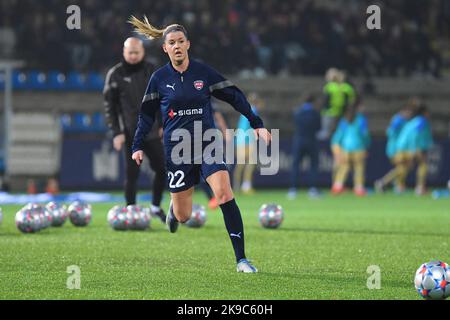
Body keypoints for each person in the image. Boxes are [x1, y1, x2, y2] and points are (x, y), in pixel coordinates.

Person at [129, 17, 272, 273]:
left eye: (180, 41)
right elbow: (147, 115)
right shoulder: (159, 79)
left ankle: (241, 260)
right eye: (171, 43)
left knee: (225, 194)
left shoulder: (203, 73)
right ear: (165, 48)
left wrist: (256, 123)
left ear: (188, 44)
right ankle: (174, 211)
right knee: (184, 216)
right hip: (177, 149)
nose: (176, 46)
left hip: (208, 143)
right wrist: (137, 144)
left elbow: (234, 95)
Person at [104, 37, 166, 222]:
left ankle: (155, 206)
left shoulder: (152, 70)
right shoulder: (115, 74)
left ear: (142, 52)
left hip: (153, 130)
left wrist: (163, 124)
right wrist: (116, 132)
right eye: (130, 52)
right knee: (132, 174)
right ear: (124, 52)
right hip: (131, 134)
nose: (132, 56)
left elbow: (163, 98)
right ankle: (130, 210)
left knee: (162, 169)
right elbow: (110, 108)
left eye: (136, 52)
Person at [374, 99, 416, 193]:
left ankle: (398, 185)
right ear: (404, 110)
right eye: (408, 112)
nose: (410, 115)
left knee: (405, 167)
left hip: (400, 147)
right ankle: (383, 182)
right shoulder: (398, 120)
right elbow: (390, 132)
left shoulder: (403, 120)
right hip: (395, 148)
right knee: (402, 168)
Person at [331, 102, 371, 196]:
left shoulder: (345, 121)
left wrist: (337, 149)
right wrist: (366, 145)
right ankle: (359, 188)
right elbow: (365, 135)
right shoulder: (361, 120)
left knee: (344, 167)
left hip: (345, 149)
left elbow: (338, 136)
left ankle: (337, 186)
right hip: (358, 147)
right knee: (359, 168)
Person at [287, 94, 321, 199]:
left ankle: (293, 190)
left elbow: (295, 125)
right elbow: (319, 127)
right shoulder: (316, 113)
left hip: (299, 141)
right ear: (313, 102)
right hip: (311, 141)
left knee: (296, 165)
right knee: (313, 165)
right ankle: (313, 189)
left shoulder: (297, 112)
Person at [395, 103, 433, 195]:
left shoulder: (412, 121)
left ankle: (395, 185)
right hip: (410, 147)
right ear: (424, 113)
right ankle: (420, 188)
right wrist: (415, 148)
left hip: (401, 146)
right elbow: (415, 134)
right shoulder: (421, 121)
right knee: (423, 165)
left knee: (404, 167)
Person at [233, 92, 263, 195]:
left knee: (240, 165)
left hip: (240, 140)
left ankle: (237, 186)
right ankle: (245, 186)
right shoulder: (253, 111)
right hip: (247, 140)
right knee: (249, 164)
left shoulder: (244, 110)